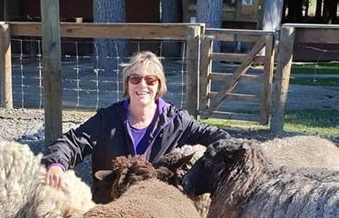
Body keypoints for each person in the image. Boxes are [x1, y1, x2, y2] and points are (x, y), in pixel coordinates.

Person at [43, 50, 230, 192]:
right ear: (127, 83)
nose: (142, 85)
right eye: (135, 79)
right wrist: (56, 165)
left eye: (150, 80)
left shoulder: (176, 121)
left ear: (159, 85)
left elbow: (218, 138)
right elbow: (73, 141)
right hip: (110, 203)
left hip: (157, 206)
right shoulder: (108, 118)